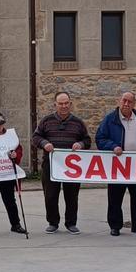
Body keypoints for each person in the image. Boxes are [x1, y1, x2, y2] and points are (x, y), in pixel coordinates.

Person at [31, 91, 91, 234]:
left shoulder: (78, 122)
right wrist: (45, 143)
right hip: (51, 165)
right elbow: (36, 137)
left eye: (66, 103)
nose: (64, 106)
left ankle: (71, 223)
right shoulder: (46, 121)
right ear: (55, 105)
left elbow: (87, 140)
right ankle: (53, 222)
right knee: (50, 195)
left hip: (72, 167)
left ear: (70, 104)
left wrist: (81, 144)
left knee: (71, 196)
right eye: (61, 103)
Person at [96, 91, 136, 236]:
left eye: (130, 101)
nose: (127, 104)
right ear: (119, 101)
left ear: (134, 104)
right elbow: (100, 138)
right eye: (124, 101)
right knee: (115, 196)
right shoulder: (110, 119)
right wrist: (113, 146)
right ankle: (115, 226)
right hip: (118, 165)